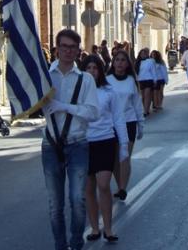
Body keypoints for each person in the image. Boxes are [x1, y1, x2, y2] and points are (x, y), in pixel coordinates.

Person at [41, 29, 99, 250]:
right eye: (64, 46)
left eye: (72, 47)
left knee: (77, 199)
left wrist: (64, 107)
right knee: (55, 204)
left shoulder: (86, 79)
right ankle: (60, 245)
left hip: (77, 143)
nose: (67, 51)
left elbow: (93, 112)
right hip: (51, 144)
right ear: (57, 49)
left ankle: (76, 243)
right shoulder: (45, 76)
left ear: (78, 50)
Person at [82, 54, 129, 244]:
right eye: (88, 68)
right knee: (88, 188)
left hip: (105, 141)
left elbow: (118, 118)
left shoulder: (109, 91)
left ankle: (108, 228)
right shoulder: (78, 91)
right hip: (84, 144)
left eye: (95, 68)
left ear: (100, 71)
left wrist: (124, 145)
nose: (92, 71)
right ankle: (95, 228)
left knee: (103, 185)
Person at [107, 49, 144, 201]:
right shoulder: (107, 80)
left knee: (125, 156)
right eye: (117, 60)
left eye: (123, 60)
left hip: (129, 122)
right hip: (112, 124)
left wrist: (141, 124)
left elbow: (137, 104)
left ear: (127, 64)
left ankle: (123, 188)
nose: (120, 63)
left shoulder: (131, 81)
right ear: (113, 62)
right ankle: (119, 184)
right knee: (115, 159)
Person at [136, 48, 156, 116]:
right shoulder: (138, 62)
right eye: (141, 54)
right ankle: (143, 109)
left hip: (148, 79)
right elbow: (135, 73)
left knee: (147, 95)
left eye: (144, 54)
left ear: (147, 54)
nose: (143, 55)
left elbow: (153, 71)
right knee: (142, 97)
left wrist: (155, 80)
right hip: (140, 80)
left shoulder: (150, 61)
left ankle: (145, 111)